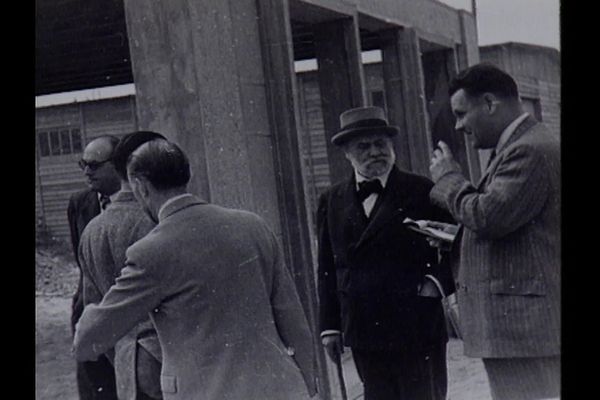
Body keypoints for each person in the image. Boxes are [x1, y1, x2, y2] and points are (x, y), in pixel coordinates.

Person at [73, 138, 317, 400]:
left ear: (141, 187)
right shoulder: (253, 225)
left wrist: (92, 313)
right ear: (187, 175)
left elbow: (89, 340)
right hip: (279, 389)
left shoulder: (150, 252)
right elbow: (293, 320)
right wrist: (310, 387)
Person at [428, 63, 560, 400]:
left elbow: (489, 216)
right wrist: (455, 235)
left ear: (489, 103)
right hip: (520, 331)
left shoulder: (528, 150)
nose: (459, 126)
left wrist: (448, 180)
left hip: (523, 333)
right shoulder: (523, 145)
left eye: (461, 114)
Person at [317, 106, 455, 400]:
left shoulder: (421, 190)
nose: (374, 152)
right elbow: (327, 266)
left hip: (417, 325)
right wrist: (330, 326)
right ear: (346, 153)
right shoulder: (331, 199)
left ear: (391, 146)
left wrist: (436, 284)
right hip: (365, 330)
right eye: (363, 147)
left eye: (380, 144)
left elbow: (461, 242)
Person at [78, 131, 167, 400]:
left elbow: (92, 309)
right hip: (166, 361)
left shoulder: (93, 230)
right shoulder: (157, 220)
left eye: (94, 165)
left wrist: (121, 351)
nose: (87, 172)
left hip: (127, 366)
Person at [68, 135, 121, 399]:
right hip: (89, 307)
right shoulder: (79, 203)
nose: (87, 171)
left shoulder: (142, 201)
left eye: (95, 165)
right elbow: (82, 260)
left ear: (118, 164)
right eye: (83, 164)